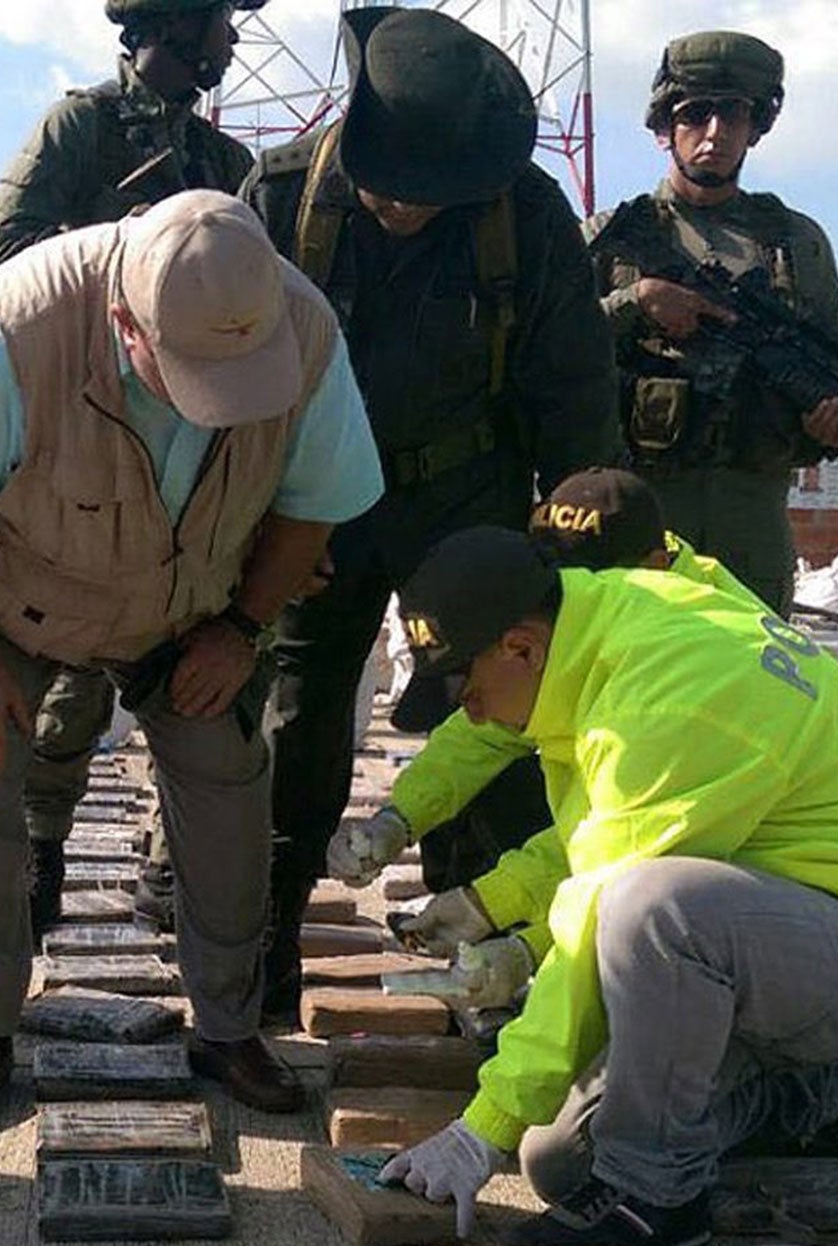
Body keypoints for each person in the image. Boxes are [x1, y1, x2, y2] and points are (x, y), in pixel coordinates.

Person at [0, 191, 382, 1128]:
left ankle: (229, 1027)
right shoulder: (16, 327)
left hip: (192, 606)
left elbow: (317, 496)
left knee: (229, 773)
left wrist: (240, 626)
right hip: (16, 594)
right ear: (124, 323)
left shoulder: (302, 327)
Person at [377, 527, 838, 1246]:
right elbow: (587, 828)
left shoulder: (668, 697)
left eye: (468, 695)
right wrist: (440, 851)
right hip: (777, 929)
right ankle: (815, 1090)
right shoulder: (595, 633)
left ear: (521, 647)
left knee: (650, 910)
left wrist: (482, 1128)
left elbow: (602, 903)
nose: (474, 715)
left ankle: (658, 1200)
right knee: (562, 1161)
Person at [241, 7, 621, 1025]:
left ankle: (481, 945)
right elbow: (221, 383)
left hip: (465, 495)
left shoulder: (520, 214)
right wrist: (254, 525)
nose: (405, 205)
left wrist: (576, 546)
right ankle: (262, 946)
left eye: (427, 194)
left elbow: (574, 385)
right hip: (314, 500)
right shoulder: (279, 199)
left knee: (496, 715)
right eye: (390, 187)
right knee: (298, 717)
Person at [0, 0, 263, 932]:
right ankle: (38, 848)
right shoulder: (81, 129)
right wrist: (127, 253)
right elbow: (3, 262)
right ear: (174, 26)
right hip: (81, 424)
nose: (233, 42)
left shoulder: (223, 167)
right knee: (62, 678)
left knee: (195, 672)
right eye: (221, 22)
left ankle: (169, 861)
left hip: (194, 441)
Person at [327, 468, 762, 948]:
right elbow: (483, 732)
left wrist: (507, 922)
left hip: (736, 881)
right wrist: (399, 819)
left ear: (655, 565)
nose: (562, 596)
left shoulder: (682, 662)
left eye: (581, 581)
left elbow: (618, 844)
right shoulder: (605, 608)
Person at [587, 30, 838, 617]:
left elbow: (837, 366)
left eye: (733, 116)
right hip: (638, 506)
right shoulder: (613, 238)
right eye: (695, 115)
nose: (715, 133)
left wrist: (829, 422)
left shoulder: (794, 243)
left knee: (751, 683)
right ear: (664, 127)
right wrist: (638, 300)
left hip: (750, 510)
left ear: (755, 128)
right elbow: (552, 354)